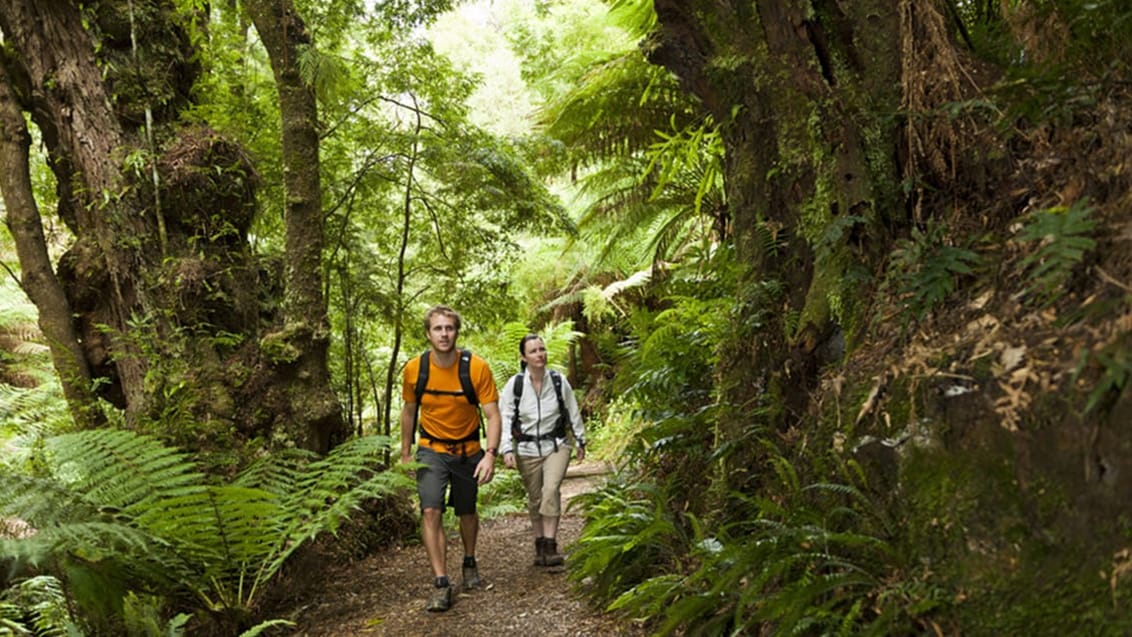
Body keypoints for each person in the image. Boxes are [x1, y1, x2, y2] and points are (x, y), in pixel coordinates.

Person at [400, 305, 502, 612]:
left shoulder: (476, 368)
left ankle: (469, 560)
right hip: (431, 449)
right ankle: (441, 582)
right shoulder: (414, 369)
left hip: (469, 449)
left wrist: (490, 454)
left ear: (456, 331)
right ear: (428, 333)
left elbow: (493, 414)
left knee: (467, 512)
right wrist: (406, 453)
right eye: (438, 329)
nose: (444, 334)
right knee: (430, 511)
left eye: (449, 328)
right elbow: (408, 411)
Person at [498, 334, 586, 568]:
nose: (540, 354)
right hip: (526, 449)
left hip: (556, 445)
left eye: (542, 349)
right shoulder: (515, 385)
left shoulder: (558, 381)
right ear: (524, 357)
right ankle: (539, 543)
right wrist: (506, 448)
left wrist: (580, 439)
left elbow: (572, 409)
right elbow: (505, 418)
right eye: (534, 351)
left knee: (551, 490)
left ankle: (550, 543)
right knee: (535, 497)